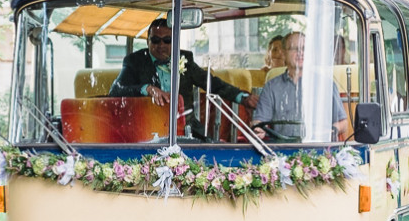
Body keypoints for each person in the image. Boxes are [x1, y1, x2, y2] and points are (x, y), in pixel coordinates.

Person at [110, 18, 259, 111]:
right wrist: (148, 89)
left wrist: (241, 97)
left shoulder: (184, 59)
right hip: (148, 127)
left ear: (175, 41)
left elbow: (212, 84)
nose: (161, 45)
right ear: (147, 41)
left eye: (167, 40)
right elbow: (116, 89)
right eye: (155, 40)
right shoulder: (135, 61)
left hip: (186, 127)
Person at [251, 31, 348, 142]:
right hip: (281, 152)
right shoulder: (271, 87)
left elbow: (343, 123)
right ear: (283, 53)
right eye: (294, 48)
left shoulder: (325, 85)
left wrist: (333, 130)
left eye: (304, 49)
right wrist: (258, 129)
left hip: (317, 149)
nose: (300, 53)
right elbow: (259, 121)